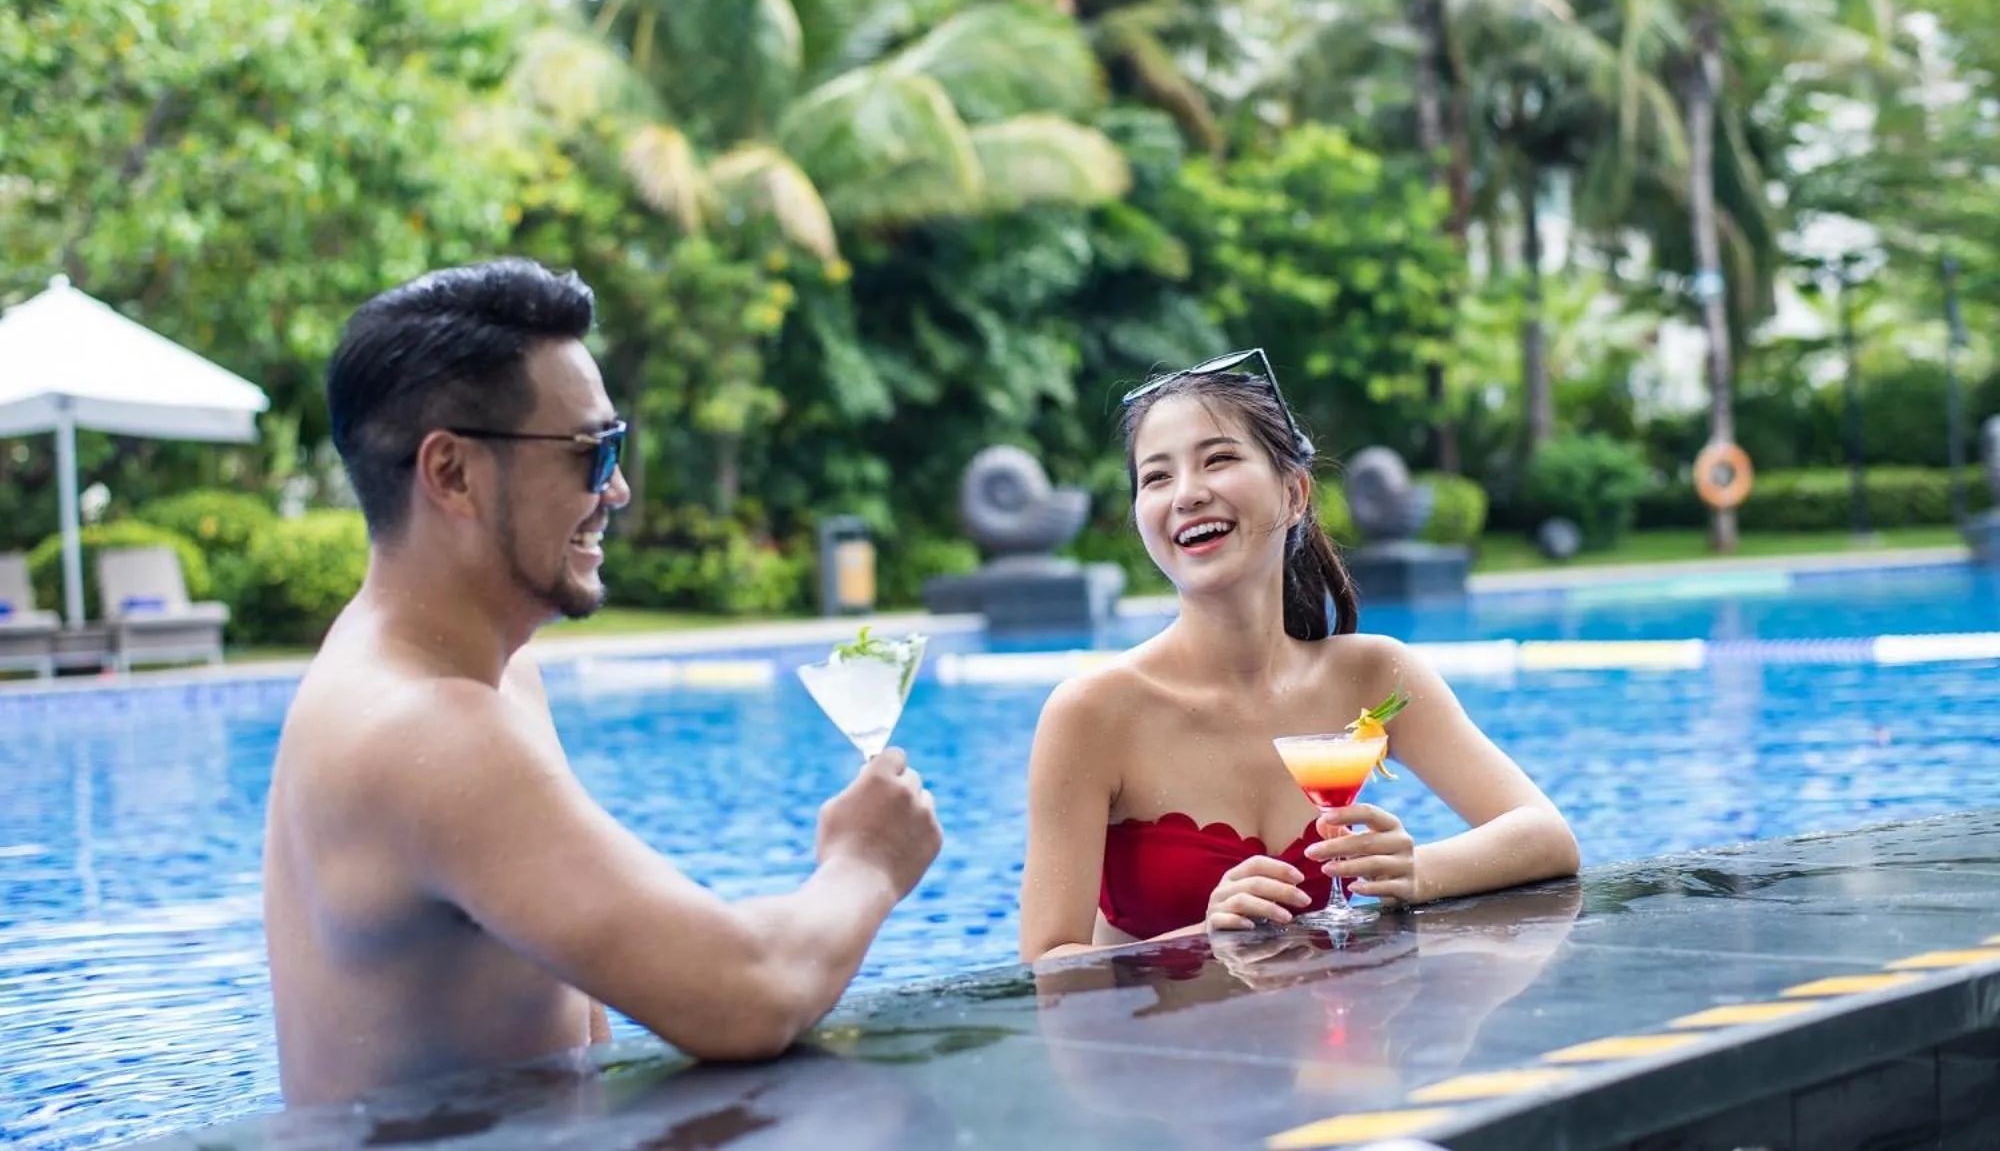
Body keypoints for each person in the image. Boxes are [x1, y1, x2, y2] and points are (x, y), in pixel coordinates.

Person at [262, 259, 941, 1106]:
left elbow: (587, 1005)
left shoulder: (486, 673)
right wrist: (866, 861)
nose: (616, 488)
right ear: (452, 474)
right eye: (591, 452)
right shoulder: (421, 727)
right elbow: (746, 993)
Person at [1017, 350, 1577, 960]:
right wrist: (1205, 938)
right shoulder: (1093, 714)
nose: (1186, 494)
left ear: (1293, 493)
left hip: (1331, 1044)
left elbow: (1546, 836)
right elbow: (1045, 966)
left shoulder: (1368, 676)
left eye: (1219, 459)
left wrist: (1416, 871)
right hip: (1163, 1048)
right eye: (1156, 476)